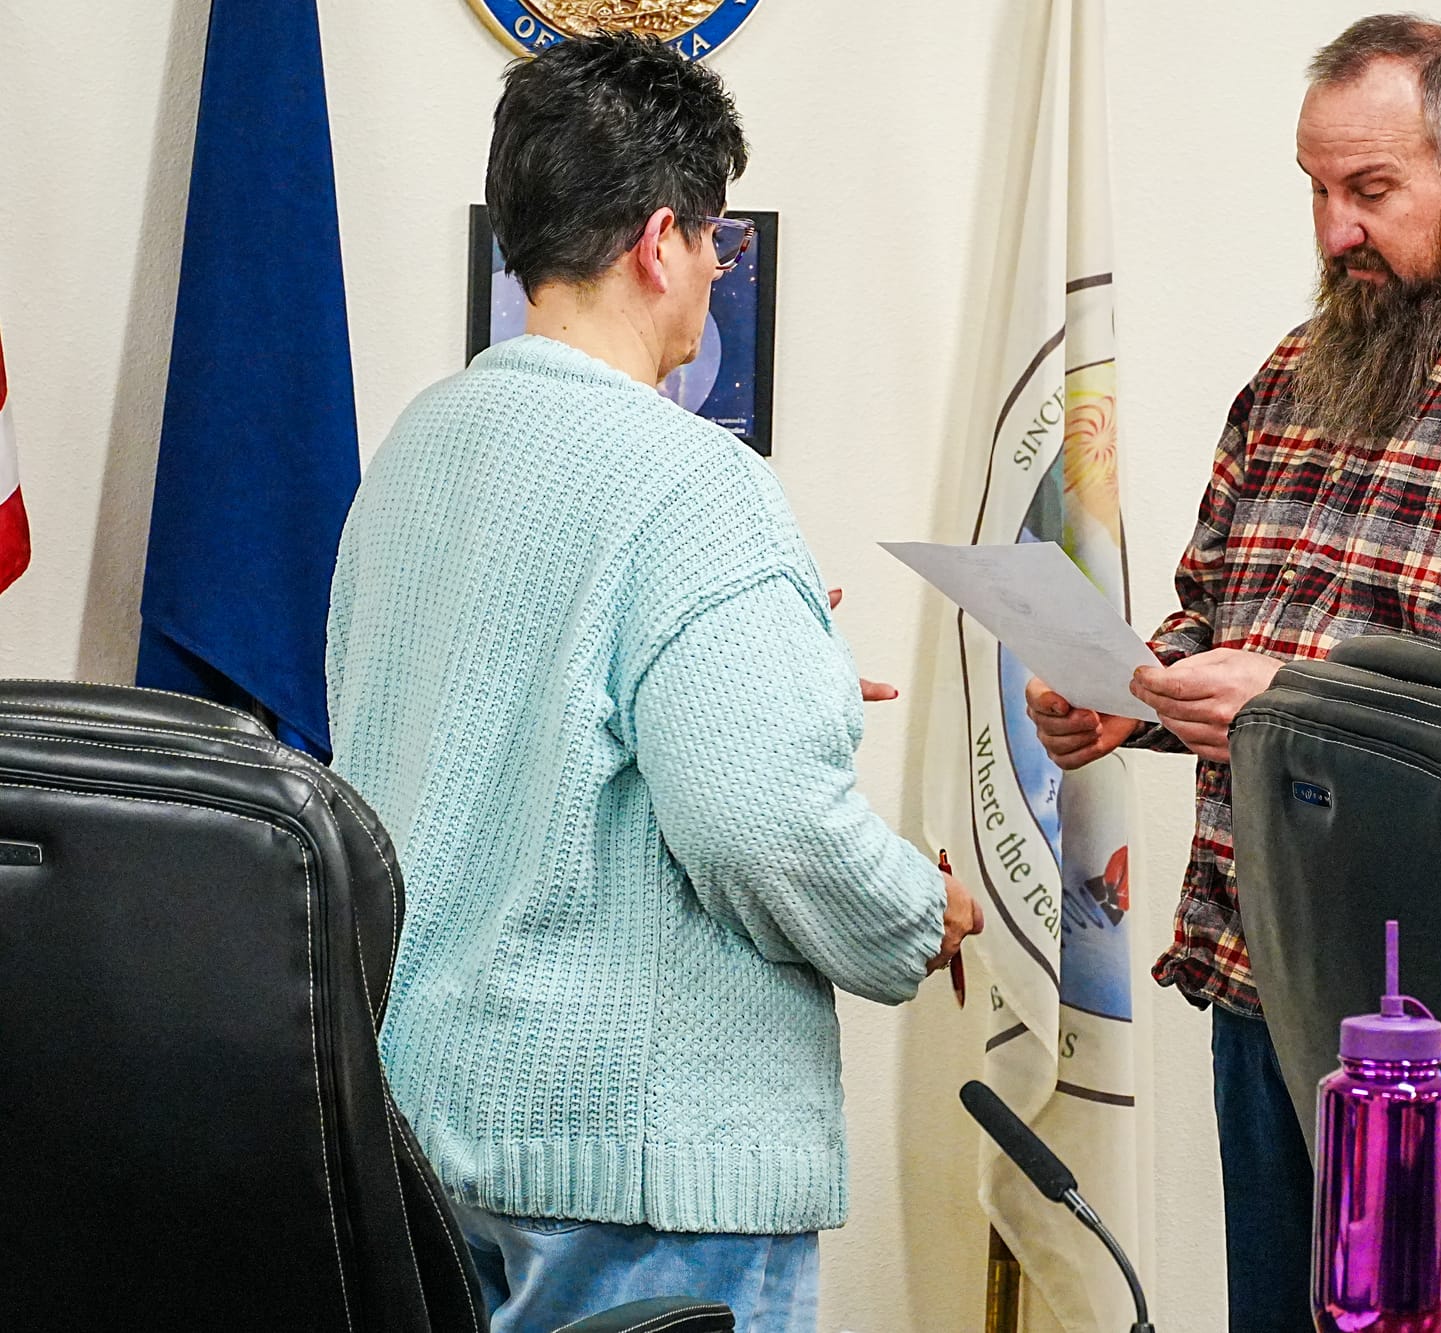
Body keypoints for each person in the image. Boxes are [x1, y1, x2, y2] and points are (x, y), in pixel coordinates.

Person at [1025, 15, 1441, 1331]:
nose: (1335, 230)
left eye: (1371, 191)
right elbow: (1217, 618)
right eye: (1317, 191)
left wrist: (1289, 694)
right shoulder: (1293, 376)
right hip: (1259, 980)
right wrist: (1129, 692)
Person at [325, 34, 980, 1333]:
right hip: (639, 1166)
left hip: (430, 1134)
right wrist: (919, 908)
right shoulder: (691, 481)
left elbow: (501, 710)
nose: (715, 282)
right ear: (660, 241)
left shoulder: (414, 453)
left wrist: (771, 669)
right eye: (718, 248)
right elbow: (762, 818)